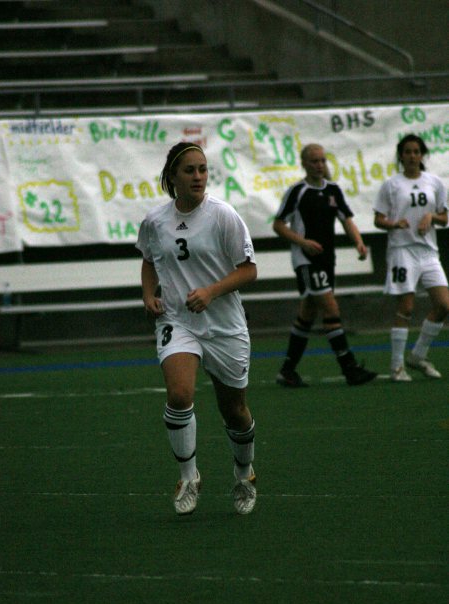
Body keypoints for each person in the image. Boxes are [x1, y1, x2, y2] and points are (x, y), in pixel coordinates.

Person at [136, 142, 257, 515]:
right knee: (179, 393)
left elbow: (249, 270)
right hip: (177, 320)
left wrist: (210, 291)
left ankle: (244, 474)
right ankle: (189, 477)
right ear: (172, 177)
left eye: (203, 169)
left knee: (234, 409)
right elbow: (149, 260)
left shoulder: (223, 215)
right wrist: (148, 295)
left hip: (223, 324)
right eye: (189, 170)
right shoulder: (156, 221)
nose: (199, 177)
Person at [273, 143, 377, 387]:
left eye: (322, 161)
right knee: (331, 310)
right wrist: (303, 242)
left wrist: (359, 243)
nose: (319, 165)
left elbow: (346, 219)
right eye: (314, 161)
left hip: (327, 259)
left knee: (308, 313)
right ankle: (349, 368)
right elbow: (278, 225)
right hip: (306, 260)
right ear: (304, 164)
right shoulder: (297, 191)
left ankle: (287, 371)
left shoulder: (333, 190)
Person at [374, 134, 449, 382]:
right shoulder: (392, 185)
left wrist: (432, 217)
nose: (412, 156)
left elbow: (444, 217)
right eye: (407, 152)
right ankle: (397, 366)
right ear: (401, 156)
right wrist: (394, 224)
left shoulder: (434, 182)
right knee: (405, 306)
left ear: (422, 155)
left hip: (428, 251)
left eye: (416, 151)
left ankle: (418, 355)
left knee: (444, 305)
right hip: (402, 250)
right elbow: (378, 219)